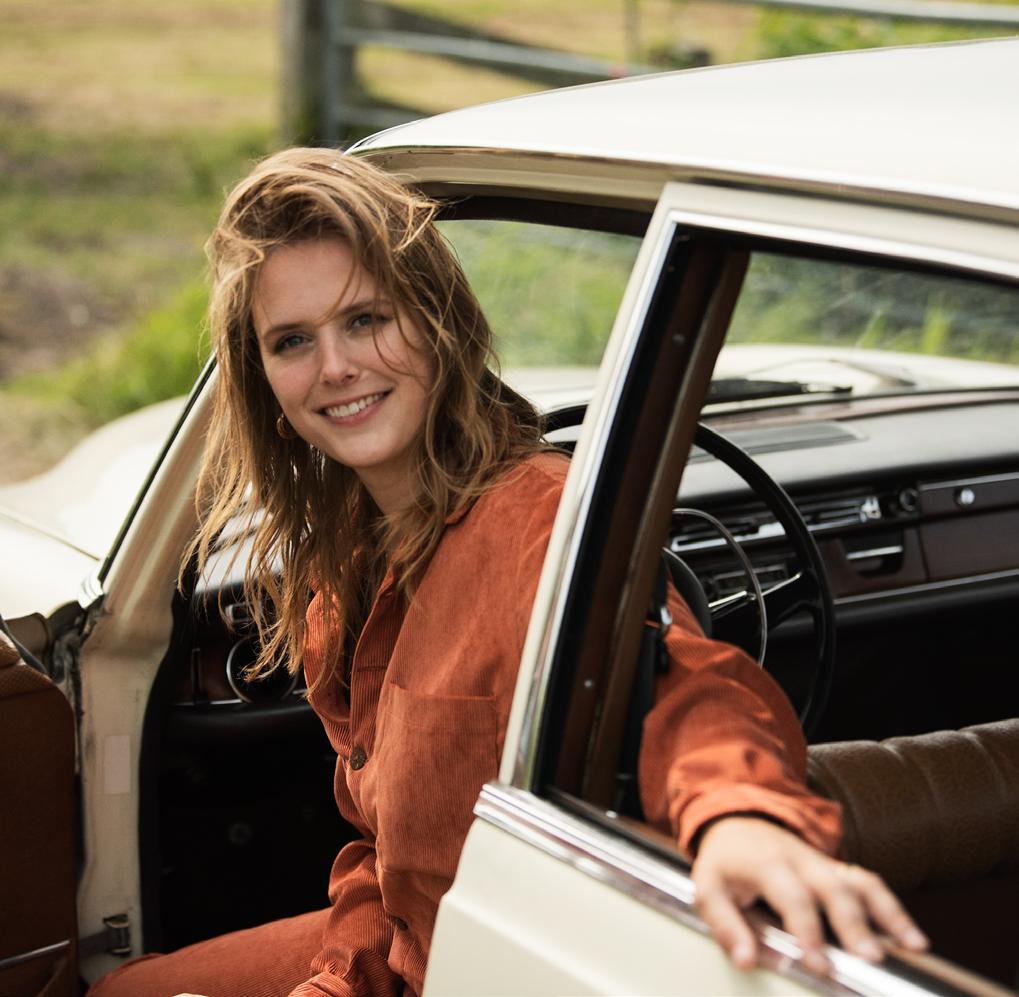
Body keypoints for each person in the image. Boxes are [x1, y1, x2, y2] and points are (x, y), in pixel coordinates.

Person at [89, 149, 926, 997]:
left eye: (367, 319)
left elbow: (682, 685)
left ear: (437, 323)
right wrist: (338, 983)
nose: (335, 366)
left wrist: (740, 817)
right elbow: (383, 859)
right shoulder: (339, 571)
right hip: (403, 946)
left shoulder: (535, 518)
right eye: (293, 341)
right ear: (265, 381)